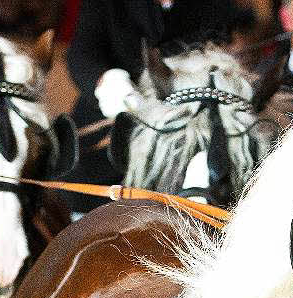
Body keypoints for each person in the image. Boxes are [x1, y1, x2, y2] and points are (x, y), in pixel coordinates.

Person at [64, 0, 251, 213]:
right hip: (109, 142)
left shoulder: (217, 6)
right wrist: (107, 80)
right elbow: (81, 53)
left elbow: (227, 50)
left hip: (187, 142)